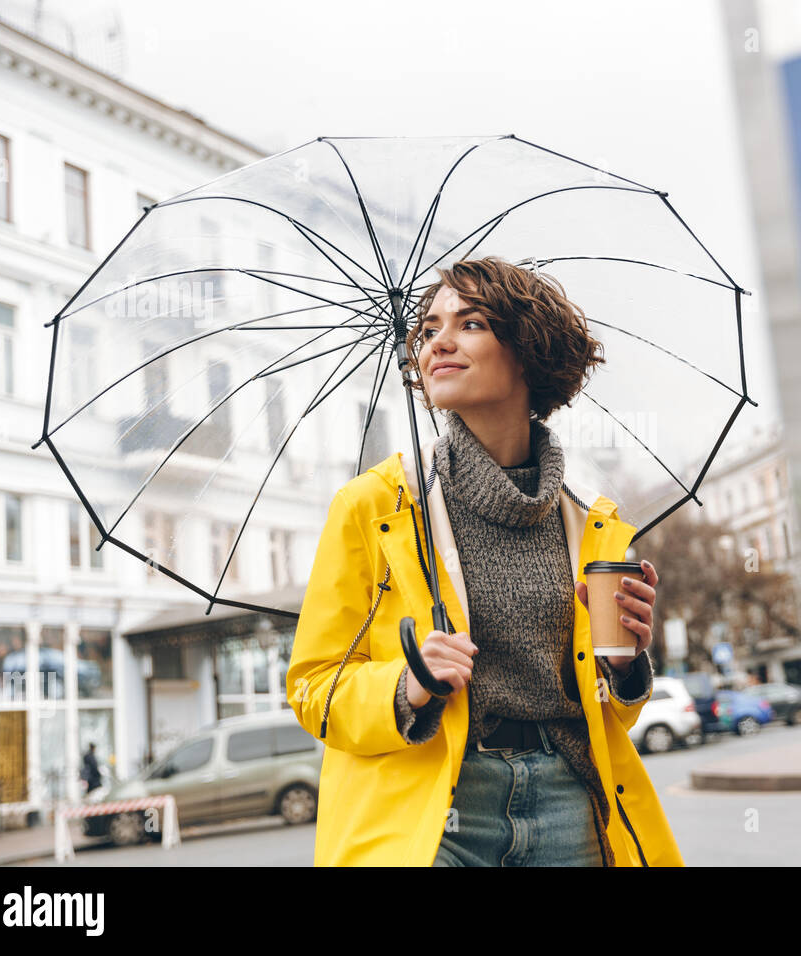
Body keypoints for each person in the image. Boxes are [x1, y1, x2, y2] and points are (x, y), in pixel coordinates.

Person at [286, 256, 683, 866]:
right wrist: (407, 685)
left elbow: (611, 717)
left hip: (566, 801)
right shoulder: (375, 508)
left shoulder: (590, 527)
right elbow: (315, 688)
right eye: (428, 329)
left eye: (469, 323)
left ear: (528, 349)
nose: (438, 342)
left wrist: (627, 668)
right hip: (432, 811)